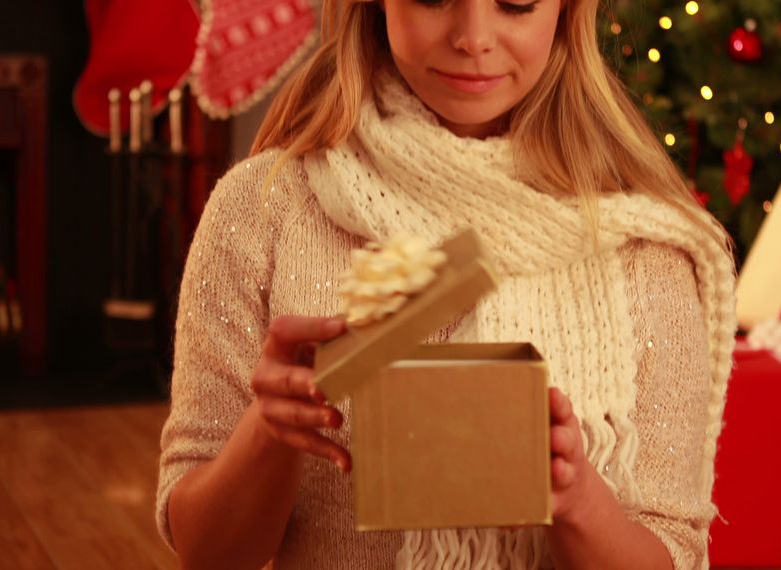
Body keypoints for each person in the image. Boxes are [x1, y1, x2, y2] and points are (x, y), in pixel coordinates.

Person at [156, 0, 737, 568]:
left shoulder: (646, 247)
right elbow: (207, 554)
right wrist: (269, 430)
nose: (473, 37)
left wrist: (579, 501)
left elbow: (673, 553)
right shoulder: (265, 208)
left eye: (515, 2)